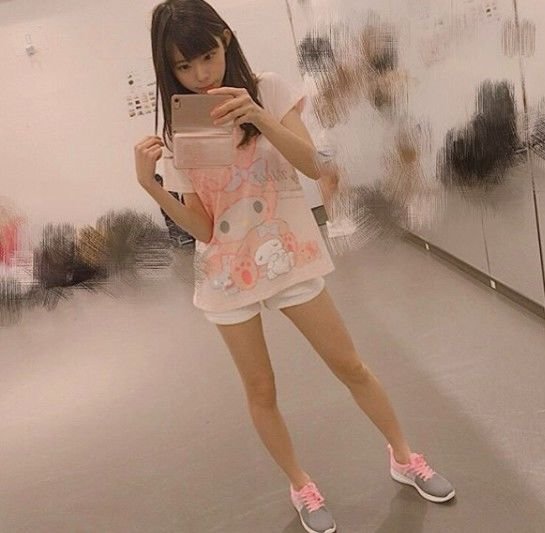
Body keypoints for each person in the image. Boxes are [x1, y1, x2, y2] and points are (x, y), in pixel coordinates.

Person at [133, 2, 455, 532]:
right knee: (261, 391)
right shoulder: (178, 131)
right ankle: (301, 485)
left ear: (225, 39)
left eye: (207, 57)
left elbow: (317, 166)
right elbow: (205, 229)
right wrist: (152, 186)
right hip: (225, 276)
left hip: (290, 258)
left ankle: (404, 457)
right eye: (184, 67)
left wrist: (258, 116)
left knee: (349, 365)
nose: (201, 75)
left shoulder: (269, 89)